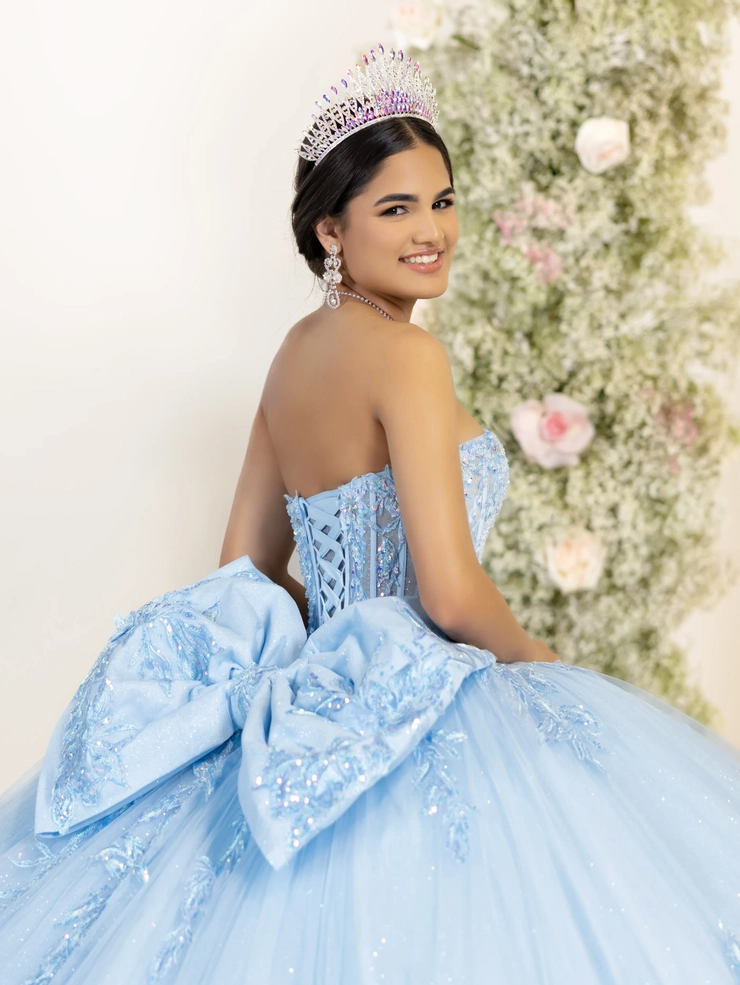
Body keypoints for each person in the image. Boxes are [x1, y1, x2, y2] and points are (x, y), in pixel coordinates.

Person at [1, 44, 740, 985]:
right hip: (424, 701)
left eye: (442, 200)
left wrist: (327, 651)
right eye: (396, 208)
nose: (432, 230)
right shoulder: (408, 359)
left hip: (319, 709)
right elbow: (451, 593)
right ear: (331, 230)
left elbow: (243, 570)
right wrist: (541, 663)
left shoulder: (295, 352)